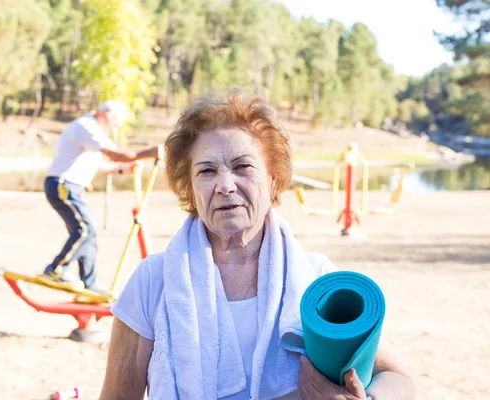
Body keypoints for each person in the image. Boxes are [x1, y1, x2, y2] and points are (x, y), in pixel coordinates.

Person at [99, 90, 416, 400]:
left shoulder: (316, 280)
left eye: (242, 167)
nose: (225, 186)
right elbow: (115, 395)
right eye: (207, 171)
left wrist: (367, 398)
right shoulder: (153, 281)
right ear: (191, 188)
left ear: (272, 179)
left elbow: (396, 378)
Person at [41, 100, 161, 291]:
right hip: (63, 185)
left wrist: (124, 169)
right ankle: (56, 268)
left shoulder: (90, 136)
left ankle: (88, 283)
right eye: (115, 124)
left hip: (70, 188)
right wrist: (150, 152)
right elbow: (116, 155)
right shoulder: (87, 126)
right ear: (106, 115)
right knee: (85, 229)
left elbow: (100, 166)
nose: (114, 129)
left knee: (90, 233)